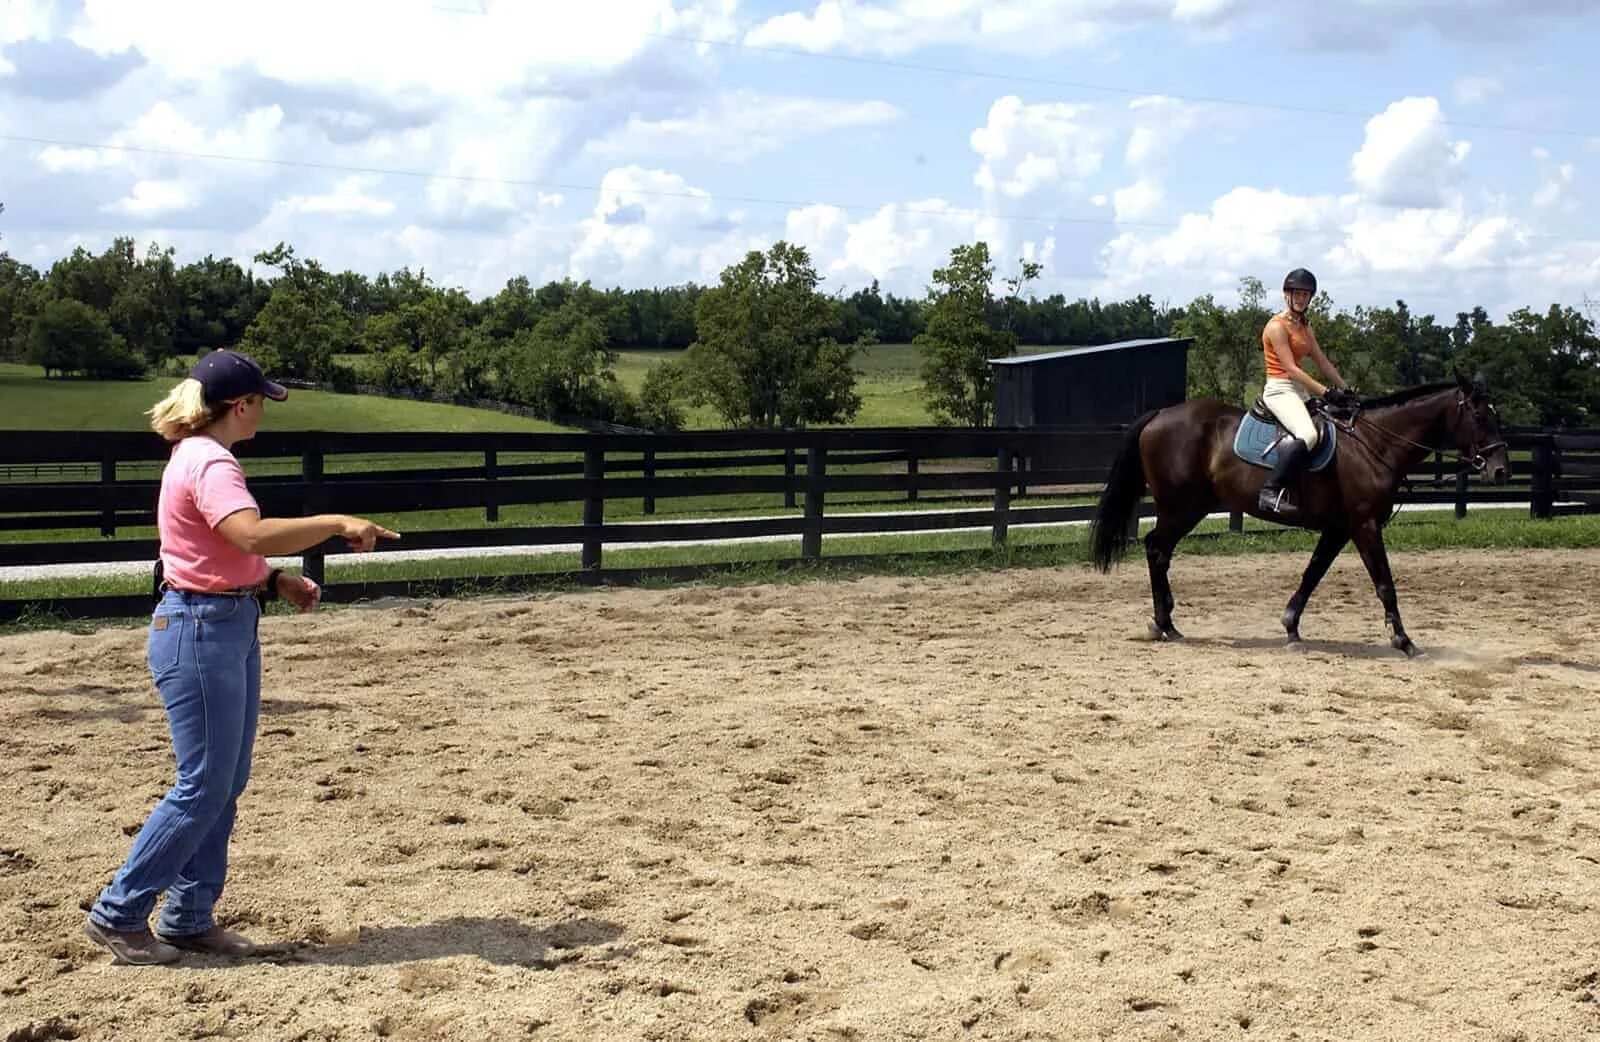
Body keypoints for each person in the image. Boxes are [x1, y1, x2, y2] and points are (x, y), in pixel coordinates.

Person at [82, 348, 400, 965]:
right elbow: (246, 533)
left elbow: (214, 550)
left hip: (219, 621)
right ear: (241, 405)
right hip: (202, 630)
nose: (264, 413)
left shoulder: (196, 456)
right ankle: (120, 912)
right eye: (261, 402)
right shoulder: (211, 462)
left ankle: (187, 916)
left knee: (222, 784)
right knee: (203, 785)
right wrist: (336, 522)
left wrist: (271, 578)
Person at [1257, 268, 1357, 516]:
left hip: (1298, 391)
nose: (1301, 299)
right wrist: (1326, 392)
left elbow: (1322, 362)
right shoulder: (1276, 327)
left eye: (1305, 294)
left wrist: (1346, 390)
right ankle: (1270, 490)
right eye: (1297, 294)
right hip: (1280, 389)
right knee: (1308, 434)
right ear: (1287, 295)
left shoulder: (1303, 325)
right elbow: (1290, 369)